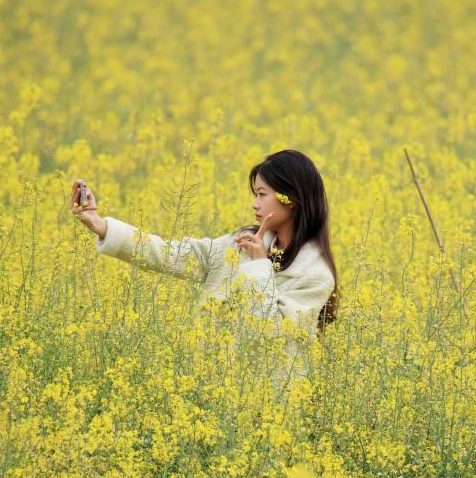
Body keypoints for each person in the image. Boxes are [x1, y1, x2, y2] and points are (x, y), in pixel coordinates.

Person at [70, 149, 339, 381]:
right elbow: (170, 254)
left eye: (262, 194)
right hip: (219, 393)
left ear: (289, 199)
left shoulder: (316, 275)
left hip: (272, 412)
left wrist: (259, 267)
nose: (254, 204)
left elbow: (268, 330)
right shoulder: (239, 244)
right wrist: (101, 226)